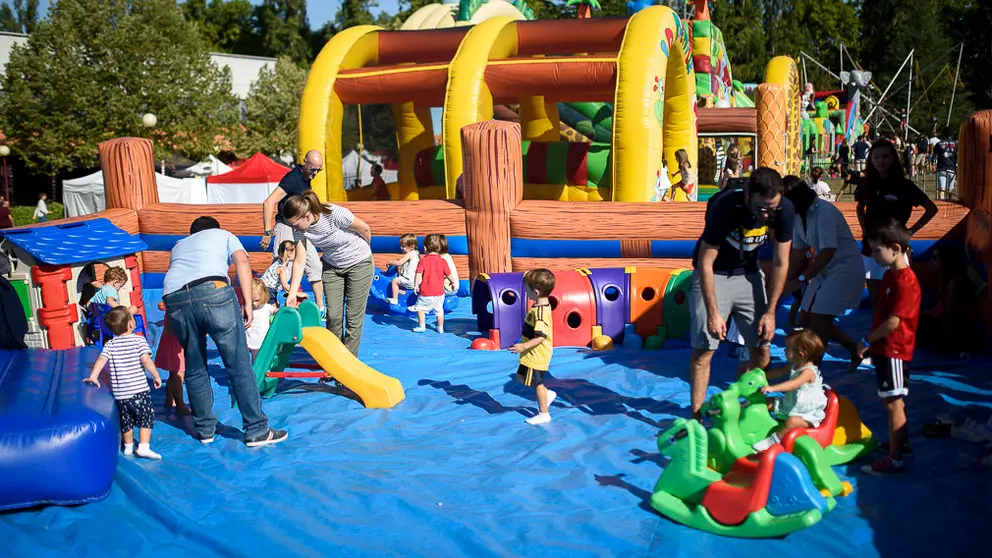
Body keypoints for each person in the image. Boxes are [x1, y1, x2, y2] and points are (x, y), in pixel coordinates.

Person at [163, 216, 286, 447]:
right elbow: (242, 263)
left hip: (174, 298)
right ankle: (257, 430)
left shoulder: (179, 245)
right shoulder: (225, 235)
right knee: (238, 363)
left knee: (195, 364)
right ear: (214, 229)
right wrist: (247, 303)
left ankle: (205, 430)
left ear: (193, 233)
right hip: (213, 292)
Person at [688, 167, 795, 417]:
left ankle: (752, 408)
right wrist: (714, 312)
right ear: (748, 196)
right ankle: (696, 416)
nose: (766, 214)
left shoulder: (784, 210)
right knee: (705, 347)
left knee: (762, 343)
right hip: (714, 273)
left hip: (748, 274)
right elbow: (705, 262)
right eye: (761, 208)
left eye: (772, 207)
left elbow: (781, 262)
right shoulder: (726, 206)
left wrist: (771, 311)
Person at [856, 219, 921, 475]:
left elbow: (894, 322)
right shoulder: (891, 276)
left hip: (893, 349)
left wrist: (868, 341)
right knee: (893, 401)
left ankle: (895, 459)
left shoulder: (906, 281)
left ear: (895, 247)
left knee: (894, 402)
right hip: (886, 349)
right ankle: (899, 444)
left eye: (876, 250)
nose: (873, 256)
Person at [282, 191, 374, 357]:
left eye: (295, 225)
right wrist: (292, 293)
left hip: (359, 263)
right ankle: (334, 359)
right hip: (332, 267)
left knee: (353, 318)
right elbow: (299, 261)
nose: (293, 229)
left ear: (308, 216)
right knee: (333, 316)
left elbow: (365, 229)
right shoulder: (299, 229)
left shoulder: (334, 214)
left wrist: (362, 252)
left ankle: (347, 363)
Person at [784, 180, 864, 370]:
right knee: (805, 319)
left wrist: (801, 279)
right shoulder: (797, 216)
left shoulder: (824, 212)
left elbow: (827, 251)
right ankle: (855, 348)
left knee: (818, 325)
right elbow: (797, 252)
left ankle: (811, 377)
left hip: (844, 269)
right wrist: (786, 280)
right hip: (824, 270)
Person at [855, 139, 938, 308]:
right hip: (871, 248)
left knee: (898, 299)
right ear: (871, 160)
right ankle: (878, 331)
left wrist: (910, 232)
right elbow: (859, 208)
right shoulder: (868, 184)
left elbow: (931, 209)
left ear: (893, 159)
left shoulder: (904, 186)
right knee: (876, 300)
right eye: (876, 157)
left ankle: (897, 332)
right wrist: (865, 229)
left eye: (885, 156)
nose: (880, 161)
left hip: (895, 248)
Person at [83, 306, 163, 460]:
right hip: (139, 390)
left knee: (127, 420)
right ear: (130, 325)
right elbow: (146, 360)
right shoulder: (139, 340)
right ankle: (144, 447)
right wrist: (156, 375)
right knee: (146, 417)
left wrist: (93, 376)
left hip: (121, 393)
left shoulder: (110, 345)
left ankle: (128, 447)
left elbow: (100, 361)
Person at [260, 150, 326, 320]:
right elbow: (269, 202)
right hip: (285, 226)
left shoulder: (307, 181)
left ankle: (320, 308)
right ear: (304, 163)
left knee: (315, 265)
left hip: (300, 229)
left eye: (319, 170)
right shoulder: (292, 179)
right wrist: (268, 232)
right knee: (282, 267)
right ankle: (273, 308)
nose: (316, 174)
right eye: (313, 169)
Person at [752, 329, 829, 451]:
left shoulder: (808, 372)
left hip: (806, 413)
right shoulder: (794, 365)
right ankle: (755, 425)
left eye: (788, 349)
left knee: (792, 421)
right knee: (765, 402)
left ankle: (772, 441)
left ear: (801, 354)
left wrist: (772, 388)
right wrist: (759, 375)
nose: (784, 350)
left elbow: (794, 384)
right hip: (791, 403)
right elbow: (779, 372)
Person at [509, 269, 558, 426]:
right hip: (533, 353)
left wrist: (523, 346)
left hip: (537, 354)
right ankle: (547, 394)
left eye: (527, 290)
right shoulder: (540, 306)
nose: (526, 293)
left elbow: (541, 336)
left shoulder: (541, 314)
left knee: (537, 383)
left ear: (536, 292)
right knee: (528, 380)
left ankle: (544, 413)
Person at [412, 234, 453, 333]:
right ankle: (440, 328)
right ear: (439, 248)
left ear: (425, 248)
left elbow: (418, 274)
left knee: (420, 309)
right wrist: (453, 282)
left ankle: (422, 326)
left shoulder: (423, 261)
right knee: (439, 311)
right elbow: (449, 274)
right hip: (439, 293)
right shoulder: (443, 261)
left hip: (426, 292)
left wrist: (415, 285)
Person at [155, 302, 190, 416]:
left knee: (173, 373)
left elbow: (161, 305)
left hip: (171, 339)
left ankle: (169, 399)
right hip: (176, 341)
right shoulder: (178, 306)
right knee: (179, 373)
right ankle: (180, 404)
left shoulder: (172, 301)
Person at [246, 278, 276, 362]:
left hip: (260, 341)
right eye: (251, 301)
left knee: (257, 360)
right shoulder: (247, 308)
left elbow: (277, 311)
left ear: (264, 296)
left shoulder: (267, 307)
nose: (254, 304)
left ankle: (256, 373)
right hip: (247, 339)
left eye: (257, 300)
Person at [387, 233, 420, 306]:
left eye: (403, 246)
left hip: (409, 280)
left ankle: (394, 299)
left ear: (412, 246)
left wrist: (391, 262)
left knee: (394, 281)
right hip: (415, 282)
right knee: (400, 276)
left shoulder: (410, 254)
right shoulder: (416, 254)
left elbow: (399, 263)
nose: (401, 248)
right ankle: (401, 291)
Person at [932, 136, 957, 201]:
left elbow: (934, 156)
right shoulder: (956, 143)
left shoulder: (939, 143)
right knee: (950, 189)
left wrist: (933, 163)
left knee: (942, 189)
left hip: (941, 168)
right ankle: (949, 202)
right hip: (951, 168)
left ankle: (941, 204)